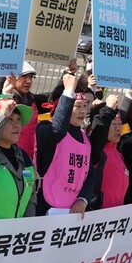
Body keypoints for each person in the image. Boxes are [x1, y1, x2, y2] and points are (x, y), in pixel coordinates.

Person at [35, 71, 94, 215]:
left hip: (72, 208)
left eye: (85, 106)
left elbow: (89, 171)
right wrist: (68, 92)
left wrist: (83, 198)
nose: (82, 111)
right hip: (45, 204)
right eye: (77, 106)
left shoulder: (84, 138)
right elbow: (58, 130)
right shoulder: (45, 128)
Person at [0, 62, 51, 163]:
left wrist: (69, 73)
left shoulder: (33, 100)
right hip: (7, 158)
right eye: (24, 76)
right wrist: (6, 70)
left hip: (27, 159)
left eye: (31, 77)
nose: (28, 81)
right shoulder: (4, 102)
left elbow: (54, 98)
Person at [88, 94, 128, 210]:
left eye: (120, 124)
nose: (118, 128)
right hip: (97, 217)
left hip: (113, 220)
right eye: (113, 123)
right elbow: (98, 132)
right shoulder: (96, 150)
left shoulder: (118, 154)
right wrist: (108, 109)